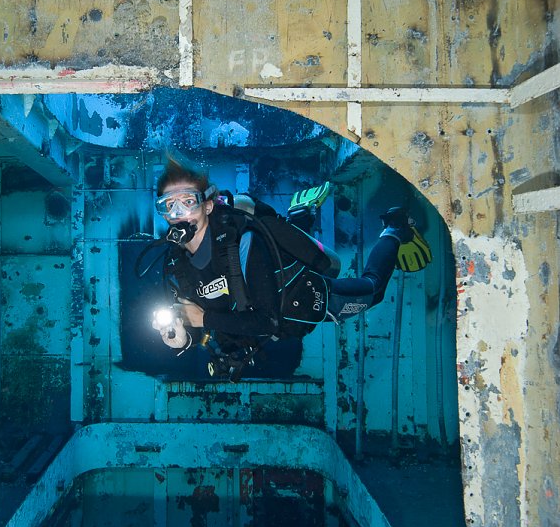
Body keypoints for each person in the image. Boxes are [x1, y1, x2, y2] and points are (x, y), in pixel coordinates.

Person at [151, 158, 431, 380]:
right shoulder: (177, 264)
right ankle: (299, 218)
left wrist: (204, 320)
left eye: (188, 202)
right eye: (169, 205)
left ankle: (395, 228)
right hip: (256, 312)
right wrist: (184, 338)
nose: (179, 214)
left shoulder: (244, 243)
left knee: (373, 289)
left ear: (208, 206)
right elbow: (204, 320)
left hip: (302, 298)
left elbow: (266, 321)